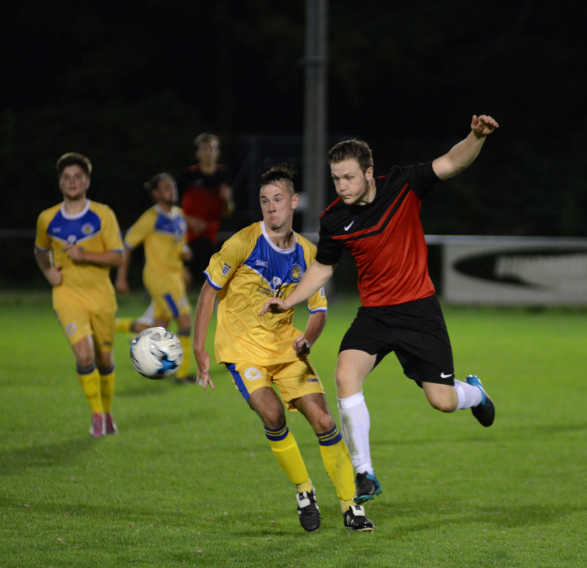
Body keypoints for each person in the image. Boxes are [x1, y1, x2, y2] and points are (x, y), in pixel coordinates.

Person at [260, 115, 500, 505]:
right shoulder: (334, 219)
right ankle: (364, 473)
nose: (342, 186)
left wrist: (476, 137)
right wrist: (288, 300)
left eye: (349, 178)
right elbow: (323, 266)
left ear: (370, 173)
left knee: (442, 400)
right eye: (336, 179)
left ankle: (474, 392)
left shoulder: (404, 185)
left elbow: (453, 162)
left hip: (419, 311)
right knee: (344, 374)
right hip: (374, 315)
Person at [193, 164, 374, 532]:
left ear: (293, 202)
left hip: (287, 349)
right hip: (243, 352)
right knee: (273, 415)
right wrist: (199, 348)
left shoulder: (309, 253)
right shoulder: (241, 243)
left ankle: (350, 506)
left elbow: (319, 310)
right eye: (264, 201)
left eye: (278, 199)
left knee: (323, 420)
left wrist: (308, 338)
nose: (271, 207)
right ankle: (305, 491)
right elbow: (209, 291)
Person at [34, 153, 124, 437]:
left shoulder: (103, 214)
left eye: (77, 177)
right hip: (67, 295)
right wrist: (49, 272)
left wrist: (84, 254)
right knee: (84, 356)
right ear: (60, 183)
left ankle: (107, 414)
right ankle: (96, 415)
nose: (72, 182)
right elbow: (39, 250)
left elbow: (117, 257)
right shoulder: (47, 218)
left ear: (86, 181)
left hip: (101, 296)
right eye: (66, 178)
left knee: (104, 360)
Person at [115, 173, 195, 382]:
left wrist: (184, 256)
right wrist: (121, 277)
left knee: (159, 329)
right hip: (160, 279)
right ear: (156, 194)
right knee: (185, 322)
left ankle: (113, 324)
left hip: (174, 277)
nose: (172, 190)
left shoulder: (178, 215)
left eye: (173, 186)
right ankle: (183, 374)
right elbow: (128, 244)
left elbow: (180, 245)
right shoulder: (150, 218)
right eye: (166, 187)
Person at [179, 133, 234, 288]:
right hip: (188, 235)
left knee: (217, 281)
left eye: (212, 149)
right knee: (183, 277)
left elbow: (228, 212)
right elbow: (172, 209)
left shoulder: (223, 174)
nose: (208, 152)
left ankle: (217, 312)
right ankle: (171, 310)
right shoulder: (188, 175)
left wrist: (228, 200)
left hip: (211, 236)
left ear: (217, 153)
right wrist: (189, 220)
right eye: (204, 149)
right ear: (197, 153)